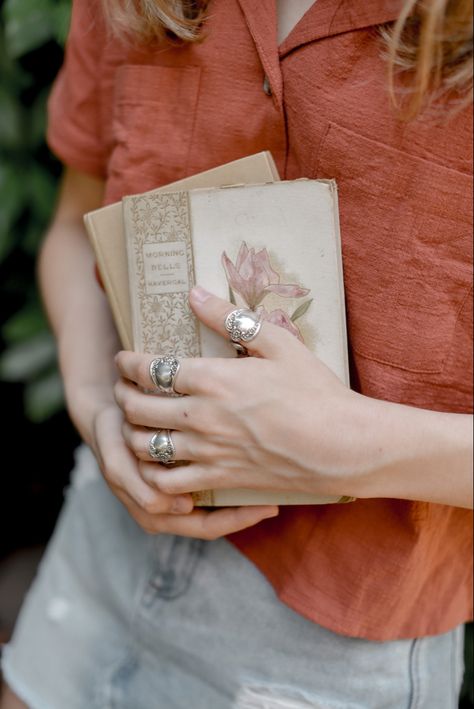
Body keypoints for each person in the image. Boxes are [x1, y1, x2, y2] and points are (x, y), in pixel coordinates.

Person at [1, 0, 472, 707]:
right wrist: (98, 411)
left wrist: (348, 443)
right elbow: (75, 224)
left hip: (329, 655)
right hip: (102, 548)